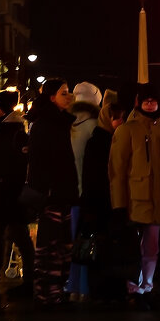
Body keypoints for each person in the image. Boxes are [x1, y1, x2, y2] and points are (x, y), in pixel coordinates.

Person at [108, 82, 160, 309]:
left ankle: (146, 287)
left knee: (152, 247)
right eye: (146, 100)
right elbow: (116, 171)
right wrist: (119, 204)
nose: (150, 104)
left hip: (158, 200)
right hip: (134, 201)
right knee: (134, 247)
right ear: (139, 103)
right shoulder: (126, 130)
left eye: (153, 100)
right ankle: (134, 289)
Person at [26, 78, 77, 308]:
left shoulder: (60, 121)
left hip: (62, 191)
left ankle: (57, 290)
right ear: (51, 97)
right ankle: (48, 294)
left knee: (62, 245)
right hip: (53, 193)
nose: (69, 96)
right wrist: (47, 189)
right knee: (51, 246)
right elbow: (41, 162)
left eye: (69, 92)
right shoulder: (47, 124)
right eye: (64, 93)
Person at [0, 90, 35, 296]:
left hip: (8, 195)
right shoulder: (4, 129)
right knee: (0, 237)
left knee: (17, 238)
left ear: (1, 107)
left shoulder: (12, 132)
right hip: (1, 194)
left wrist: (3, 183)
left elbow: (15, 164)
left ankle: (26, 281)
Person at [79, 91, 128, 301]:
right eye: (115, 117)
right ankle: (100, 290)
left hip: (115, 204)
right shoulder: (98, 141)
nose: (119, 122)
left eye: (121, 118)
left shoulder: (120, 139)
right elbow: (91, 177)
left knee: (115, 247)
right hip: (100, 204)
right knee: (100, 247)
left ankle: (114, 289)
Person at [66, 81, 102, 301]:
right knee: (88, 242)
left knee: (72, 242)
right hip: (89, 194)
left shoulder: (68, 125)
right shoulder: (96, 126)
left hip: (68, 194)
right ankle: (85, 286)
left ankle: (73, 286)